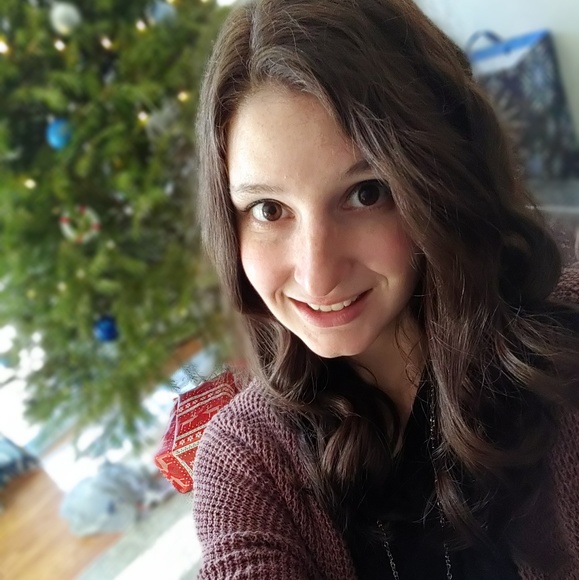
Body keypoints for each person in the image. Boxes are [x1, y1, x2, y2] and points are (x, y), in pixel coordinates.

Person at [191, 0, 579, 578]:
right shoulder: (245, 463)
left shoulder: (564, 341)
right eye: (268, 209)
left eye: (365, 193)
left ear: (437, 184)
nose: (317, 274)